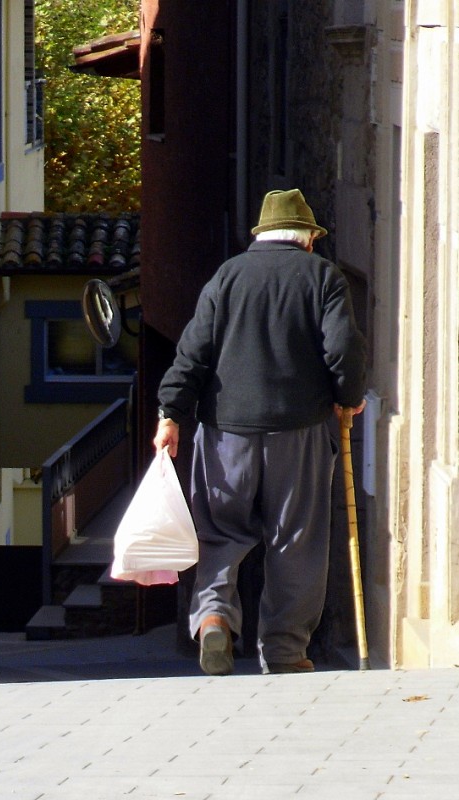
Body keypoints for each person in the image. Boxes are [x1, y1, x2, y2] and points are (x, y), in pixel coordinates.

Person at [153, 188, 367, 676]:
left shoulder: (226, 277)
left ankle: (213, 618)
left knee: (220, 533)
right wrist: (348, 395)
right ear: (308, 239)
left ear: (261, 237)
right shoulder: (323, 278)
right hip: (300, 433)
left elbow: (192, 353)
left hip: (226, 434)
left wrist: (171, 414)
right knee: (295, 541)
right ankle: (286, 652)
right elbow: (343, 349)